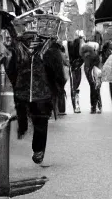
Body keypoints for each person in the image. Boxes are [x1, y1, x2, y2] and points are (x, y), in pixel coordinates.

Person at [6, 31, 67, 164]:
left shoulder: (47, 51)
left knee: (40, 121)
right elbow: (11, 70)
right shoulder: (20, 52)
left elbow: (57, 72)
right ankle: (36, 147)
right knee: (36, 121)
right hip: (27, 94)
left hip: (40, 94)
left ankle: (38, 150)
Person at [80, 37, 103, 113]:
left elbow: (83, 58)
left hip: (89, 68)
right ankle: (98, 105)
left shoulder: (83, 49)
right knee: (96, 87)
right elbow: (97, 59)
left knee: (92, 87)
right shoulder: (94, 48)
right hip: (94, 68)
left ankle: (94, 106)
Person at [67, 30, 86, 113]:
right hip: (76, 66)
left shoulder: (70, 42)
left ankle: (76, 106)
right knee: (75, 86)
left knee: (74, 86)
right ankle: (76, 106)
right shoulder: (77, 42)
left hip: (73, 66)